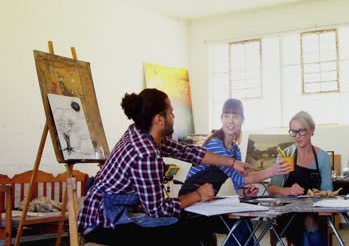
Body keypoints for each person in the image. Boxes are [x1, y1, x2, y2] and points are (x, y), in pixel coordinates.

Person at [77, 88, 257, 246]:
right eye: (170, 112)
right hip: (103, 224)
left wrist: (233, 163)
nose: (173, 116)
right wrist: (198, 194)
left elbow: (188, 152)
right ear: (159, 119)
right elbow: (157, 209)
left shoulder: (141, 132)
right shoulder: (146, 154)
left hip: (112, 214)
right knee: (185, 231)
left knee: (191, 227)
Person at [178, 98, 291, 246]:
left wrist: (245, 192)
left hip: (207, 202)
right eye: (226, 116)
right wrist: (273, 170)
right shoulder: (214, 145)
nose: (230, 121)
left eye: (235, 116)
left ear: (242, 120)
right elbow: (241, 178)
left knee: (244, 224)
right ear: (221, 118)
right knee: (240, 226)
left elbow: (239, 184)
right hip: (191, 203)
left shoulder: (235, 150)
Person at [268, 111, 332, 246]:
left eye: (301, 131)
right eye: (293, 132)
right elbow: (272, 189)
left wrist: (316, 195)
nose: (297, 136)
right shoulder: (286, 155)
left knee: (310, 220)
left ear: (312, 130)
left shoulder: (322, 158)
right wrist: (289, 190)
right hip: (290, 211)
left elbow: (328, 191)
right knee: (306, 222)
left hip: (314, 210)